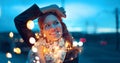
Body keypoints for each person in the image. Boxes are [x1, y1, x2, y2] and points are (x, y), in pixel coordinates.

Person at [14, 4, 80, 63]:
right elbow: (19, 21)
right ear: (43, 31)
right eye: (47, 26)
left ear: (61, 25)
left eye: (56, 23)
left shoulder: (71, 52)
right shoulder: (35, 44)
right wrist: (52, 7)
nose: (53, 28)